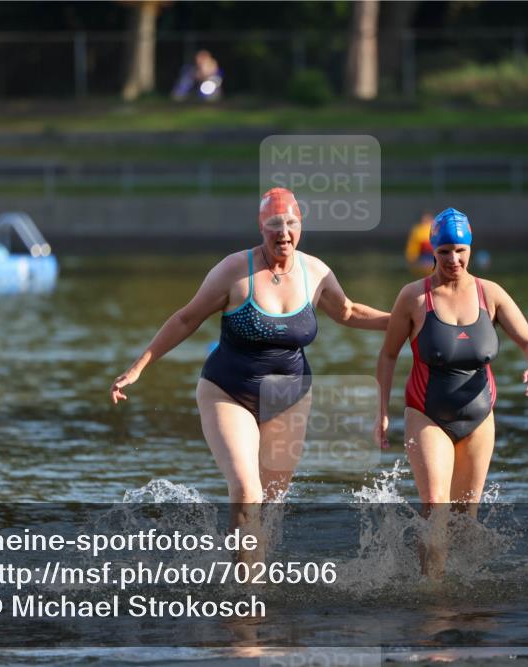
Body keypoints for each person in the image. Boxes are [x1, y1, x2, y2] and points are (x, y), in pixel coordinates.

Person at [111, 187, 389, 559]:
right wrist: (138, 368)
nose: (283, 233)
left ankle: (250, 579)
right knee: (247, 492)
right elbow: (186, 318)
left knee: (269, 506)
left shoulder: (315, 272)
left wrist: (405, 321)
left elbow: (349, 312)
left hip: (290, 398)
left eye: (290, 224)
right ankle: (243, 603)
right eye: (274, 225)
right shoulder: (233, 271)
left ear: (301, 226)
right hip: (228, 392)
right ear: (261, 228)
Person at [374, 207, 528, 575]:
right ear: (433, 251)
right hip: (426, 413)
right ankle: (431, 596)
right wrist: (383, 412)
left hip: (480, 417)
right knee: (436, 505)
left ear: (470, 249)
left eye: (461, 250)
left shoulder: (491, 294)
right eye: (446, 251)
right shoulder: (414, 297)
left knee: (466, 517)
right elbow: (388, 356)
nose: (454, 259)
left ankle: (465, 599)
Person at [404, 210, 434, 276]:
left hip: (432, 256)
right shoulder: (418, 230)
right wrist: (411, 256)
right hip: (422, 257)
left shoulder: (436, 229)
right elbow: (413, 246)